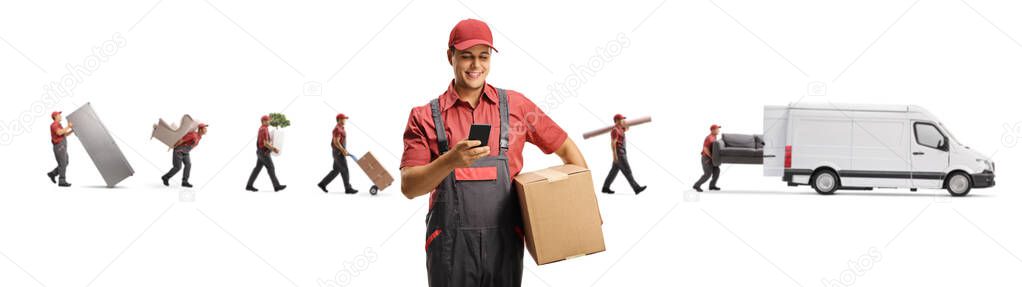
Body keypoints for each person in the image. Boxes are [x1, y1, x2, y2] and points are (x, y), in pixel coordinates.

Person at [399, 19, 587, 287]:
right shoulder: (425, 116)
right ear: (450, 56)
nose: (476, 66)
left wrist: (583, 208)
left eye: (483, 57)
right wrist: (451, 160)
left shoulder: (517, 106)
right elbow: (409, 187)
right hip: (449, 249)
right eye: (466, 57)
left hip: (505, 246)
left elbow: (567, 149)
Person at [601, 114, 647, 194]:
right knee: (627, 170)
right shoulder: (615, 130)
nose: (623, 120)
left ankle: (605, 187)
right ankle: (637, 188)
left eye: (623, 119)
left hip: (622, 153)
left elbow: (628, 127)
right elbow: (613, 144)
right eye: (622, 119)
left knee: (613, 172)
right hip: (620, 154)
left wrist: (625, 123)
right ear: (617, 121)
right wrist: (615, 156)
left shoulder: (621, 129)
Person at [318, 113, 357, 194]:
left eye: (345, 118)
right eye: (343, 118)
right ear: (339, 119)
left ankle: (322, 184)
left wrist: (344, 150)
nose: (345, 120)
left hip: (338, 152)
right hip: (339, 153)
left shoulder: (341, 128)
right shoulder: (337, 129)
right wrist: (343, 150)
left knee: (336, 170)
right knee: (345, 170)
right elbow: (336, 142)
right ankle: (348, 188)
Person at [246, 115, 286, 192]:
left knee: (257, 169)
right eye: (268, 120)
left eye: (269, 120)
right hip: (264, 153)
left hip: (260, 152)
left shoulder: (263, 128)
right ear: (263, 121)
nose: (269, 121)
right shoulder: (264, 129)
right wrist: (274, 149)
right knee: (271, 168)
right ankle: (277, 186)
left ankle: (249, 185)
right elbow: (265, 143)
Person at [162, 123, 207, 188]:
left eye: (206, 128)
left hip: (186, 152)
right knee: (178, 167)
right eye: (204, 128)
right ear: (200, 129)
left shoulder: (199, 137)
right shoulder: (193, 135)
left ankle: (184, 182)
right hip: (179, 151)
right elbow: (182, 140)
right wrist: (175, 146)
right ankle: (165, 177)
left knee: (188, 164)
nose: (206, 130)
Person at [46, 111, 73, 187]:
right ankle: (62, 181)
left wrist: (72, 131)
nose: (60, 116)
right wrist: (68, 126)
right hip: (59, 147)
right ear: (55, 116)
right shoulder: (54, 125)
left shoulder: (59, 125)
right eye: (59, 115)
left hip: (62, 146)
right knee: (63, 163)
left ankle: (53, 173)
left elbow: (64, 134)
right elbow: (59, 133)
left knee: (65, 162)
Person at [693, 124, 722, 192]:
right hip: (707, 158)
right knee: (707, 174)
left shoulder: (714, 137)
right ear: (713, 130)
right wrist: (712, 157)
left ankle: (712, 186)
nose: (718, 130)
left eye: (718, 129)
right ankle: (696, 185)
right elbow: (705, 149)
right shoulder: (709, 137)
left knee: (717, 171)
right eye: (717, 129)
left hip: (712, 158)